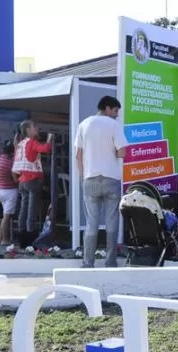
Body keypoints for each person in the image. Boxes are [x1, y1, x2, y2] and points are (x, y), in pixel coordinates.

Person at [75, 95, 128, 268]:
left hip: (90, 179)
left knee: (92, 222)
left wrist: (83, 177)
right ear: (107, 108)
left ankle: (88, 262)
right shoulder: (114, 125)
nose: (117, 115)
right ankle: (110, 261)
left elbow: (78, 155)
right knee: (112, 220)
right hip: (111, 178)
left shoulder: (83, 124)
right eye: (115, 110)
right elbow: (122, 153)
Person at [13, 120, 54, 247]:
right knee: (32, 209)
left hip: (22, 181)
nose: (37, 128)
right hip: (33, 180)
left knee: (23, 209)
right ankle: (31, 237)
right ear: (28, 130)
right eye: (34, 127)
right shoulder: (31, 142)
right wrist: (49, 139)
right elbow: (45, 149)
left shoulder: (20, 143)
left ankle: (21, 235)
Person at [0, 140, 17, 246]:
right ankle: (5, 240)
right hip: (10, 191)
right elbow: (15, 179)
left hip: (0, 191)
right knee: (7, 217)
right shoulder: (11, 162)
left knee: (4, 216)